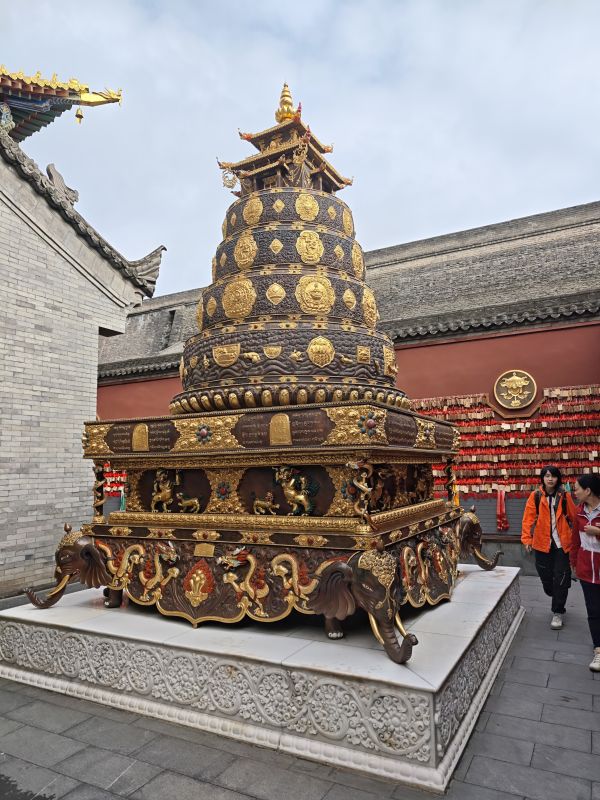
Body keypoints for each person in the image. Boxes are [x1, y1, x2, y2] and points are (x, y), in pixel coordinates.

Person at [521, 466, 576, 629]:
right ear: (542, 478)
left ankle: (558, 612)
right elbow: (527, 519)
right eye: (547, 476)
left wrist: (578, 541)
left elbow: (574, 517)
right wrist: (526, 539)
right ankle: (555, 591)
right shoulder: (536, 496)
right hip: (542, 543)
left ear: (558, 478)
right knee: (545, 576)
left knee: (561, 577)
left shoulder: (564, 496)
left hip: (561, 544)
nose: (550, 479)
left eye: (553, 476)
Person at [570, 474, 600, 672]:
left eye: (577, 488)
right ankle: (598, 649)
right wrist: (573, 562)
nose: (575, 492)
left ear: (588, 490)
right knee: (594, 610)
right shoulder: (579, 512)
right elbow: (575, 540)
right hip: (587, 571)